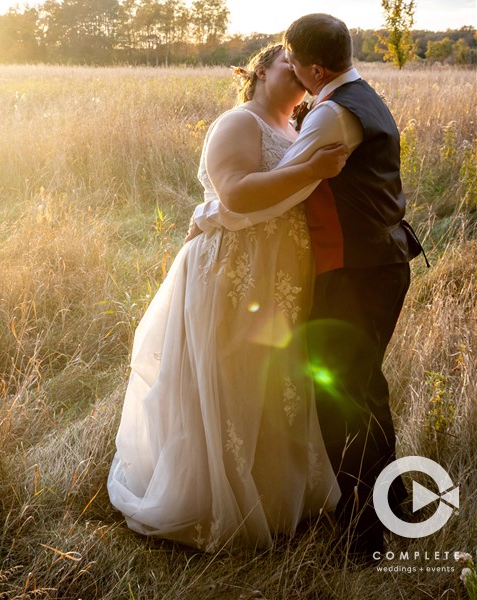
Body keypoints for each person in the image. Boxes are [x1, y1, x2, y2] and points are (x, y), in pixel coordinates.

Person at [193, 14, 420, 560]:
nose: (290, 72)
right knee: (362, 392)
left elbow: (277, 194)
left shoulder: (328, 117)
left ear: (315, 68)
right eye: (283, 65)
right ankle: (397, 505)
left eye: (294, 63)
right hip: (375, 264)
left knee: (344, 400)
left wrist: (209, 215)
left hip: (357, 273)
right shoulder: (362, 95)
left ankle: (362, 536)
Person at [107, 44, 347, 552]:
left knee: (271, 377)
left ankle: (272, 497)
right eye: (290, 66)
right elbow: (235, 193)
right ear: (261, 70)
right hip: (234, 269)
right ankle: (212, 503)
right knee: (230, 372)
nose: (302, 77)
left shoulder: (294, 128)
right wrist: (311, 171)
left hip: (276, 274)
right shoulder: (240, 123)